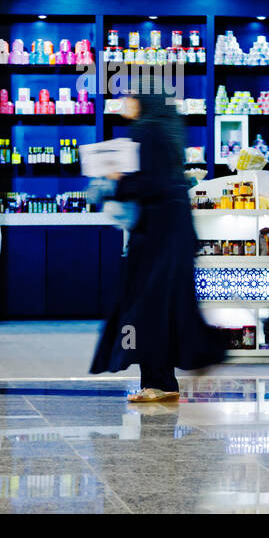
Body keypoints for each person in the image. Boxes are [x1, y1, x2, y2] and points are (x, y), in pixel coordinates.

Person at [90, 90, 227, 402]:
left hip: (157, 236)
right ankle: (170, 376)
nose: (124, 102)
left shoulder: (146, 131)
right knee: (163, 308)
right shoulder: (167, 130)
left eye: (130, 97)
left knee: (148, 310)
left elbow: (152, 184)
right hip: (172, 233)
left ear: (144, 101)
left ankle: (163, 379)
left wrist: (116, 180)